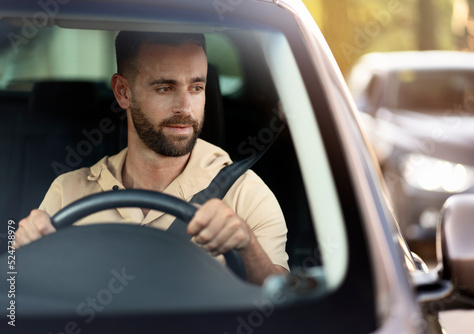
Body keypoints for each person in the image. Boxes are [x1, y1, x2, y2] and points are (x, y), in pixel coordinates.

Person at [14, 31, 289, 285]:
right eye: (165, 88)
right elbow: (23, 299)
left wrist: (247, 246)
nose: (185, 107)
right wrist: (21, 256)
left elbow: (282, 298)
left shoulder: (247, 194)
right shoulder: (69, 192)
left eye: (196, 87)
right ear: (123, 92)